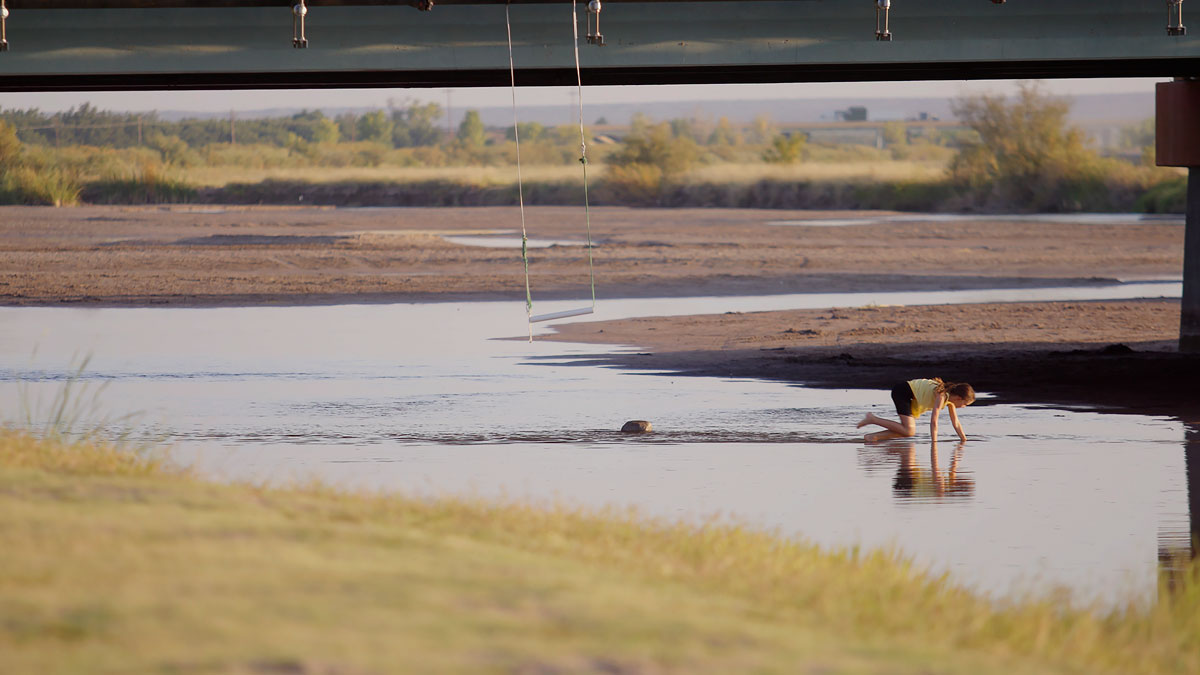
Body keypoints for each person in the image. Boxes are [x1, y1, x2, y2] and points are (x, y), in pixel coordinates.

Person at [857, 378, 975, 442]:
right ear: (959, 398)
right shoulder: (942, 395)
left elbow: (956, 423)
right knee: (909, 431)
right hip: (903, 392)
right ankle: (872, 419)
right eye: (965, 404)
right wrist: (934, 443)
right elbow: (934, 421)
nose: (963, 407)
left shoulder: (950, 402)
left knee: (907, 431)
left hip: (911, 397)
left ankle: (872, 437)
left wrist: (964, 439)